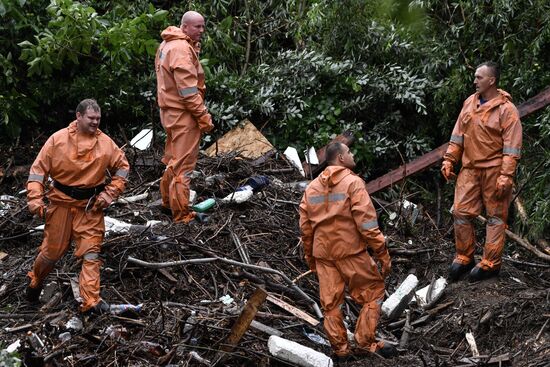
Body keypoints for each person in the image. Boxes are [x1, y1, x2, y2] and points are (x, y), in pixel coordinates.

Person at [25, 99, 129, 314]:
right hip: (61, 205)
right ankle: (35, 281)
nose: (95, 122)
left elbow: (122, 168)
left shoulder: (106, 143)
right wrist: (35, 200)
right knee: (51, 254)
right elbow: (37, 172)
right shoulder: (58, 140)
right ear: (79, 116)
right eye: (91, 118)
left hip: (90, 207)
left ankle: (91, 302)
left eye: (98, 119)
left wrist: (110, 192)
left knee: (91, 253)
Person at [299, 142, 396, 359]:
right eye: (349, 152)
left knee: (331, 304)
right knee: (374, 292)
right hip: (350, 251)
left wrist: (310, 258)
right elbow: (368, 224)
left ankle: (341, 349)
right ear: (341, 158)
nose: (352, 155)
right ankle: (364, 342)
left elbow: (306, 230)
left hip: (323, 254)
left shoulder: (311, 188)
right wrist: (382, 254)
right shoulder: (353, 183)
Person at [441, 61, 522, 282]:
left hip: (494, 171)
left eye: (479, 77)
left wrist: (506, 175)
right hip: (470, 168)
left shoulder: (507, 110)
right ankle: (464, 256)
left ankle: (491, 262)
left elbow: (512, 147)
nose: (474, 81)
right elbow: (458, 135)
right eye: (475, 77)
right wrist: (449, 159)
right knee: (460, 211)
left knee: (495, 217)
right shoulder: (469, 103)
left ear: (491, 80)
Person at [155, 10, 214, 223]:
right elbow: (188, 92)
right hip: (183, 115)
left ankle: (166, 202)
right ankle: (181, 213)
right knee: (184, 166)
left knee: (173, 159)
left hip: (169, 112)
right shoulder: (180, 50)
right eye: (197, 27)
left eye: (203, 26)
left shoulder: (167, 44)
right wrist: (203, 117)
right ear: (185, 26)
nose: (201, 31)